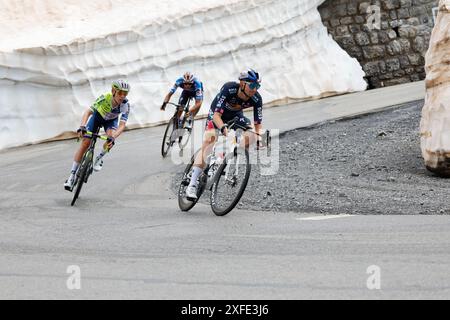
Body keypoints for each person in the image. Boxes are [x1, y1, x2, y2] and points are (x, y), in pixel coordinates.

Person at [185, 69, 263, 200]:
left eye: (257, 86)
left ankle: (233, 152)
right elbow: (216, 116)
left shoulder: (256, 98)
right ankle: (192, 184)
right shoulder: (229, 89)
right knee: (210, 141)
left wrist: (259, 138)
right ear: (243, 84)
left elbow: (258, 124)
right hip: (216, 114)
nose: (255, 89)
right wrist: (222, 128)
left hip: (235, 116)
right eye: (252, 85)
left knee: (252, 135)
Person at [64, 79, 131, 191]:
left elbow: (122, 125)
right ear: (113, 91)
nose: (122, 96)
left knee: (110, 139)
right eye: (120, 93)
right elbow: (88, 112)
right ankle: (71, 176)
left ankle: (99, 158)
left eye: (125, 94)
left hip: (110, 122)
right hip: (97, 118)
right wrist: (82, 126)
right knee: (85, 143)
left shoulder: (125, 105)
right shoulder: (105, 97)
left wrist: (113, 137)